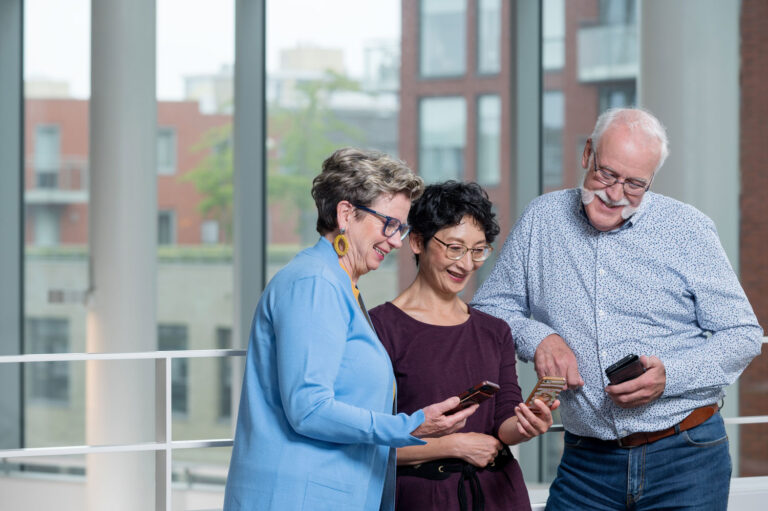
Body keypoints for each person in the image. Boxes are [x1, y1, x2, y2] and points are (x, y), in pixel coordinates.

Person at [472, 108, 763, 510]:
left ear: (651, 181)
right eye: (606, 174)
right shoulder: (542, 220)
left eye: (634, 184)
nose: (614, 194)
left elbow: (743, 334)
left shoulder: (689, 229)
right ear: (587, 152)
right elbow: (488, 308)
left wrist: (671, 377)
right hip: (585, 464)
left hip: (687, 455)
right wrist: (540, 337)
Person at [223, 148, 478, 511]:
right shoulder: (314, 283)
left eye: (402, 229)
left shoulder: (340, 285)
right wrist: (408, 426)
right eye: (389, 224)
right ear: (346, 214)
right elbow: (309, 409)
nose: (395, 241)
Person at [370, 181, 558, 511]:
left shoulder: (494, 331)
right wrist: (452, 445)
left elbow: (503, 424)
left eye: (478, 250)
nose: (466, 263)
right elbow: (368, 443)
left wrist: (527, 425)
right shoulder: (379, 328)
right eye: (454, 248)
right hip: (421, 498)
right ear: (417, 241)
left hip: (500, 495)